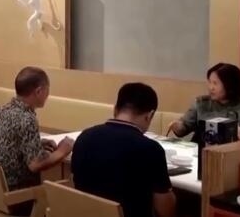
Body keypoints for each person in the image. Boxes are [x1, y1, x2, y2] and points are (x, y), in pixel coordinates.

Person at [71, 83, 175, 217]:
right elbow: (165, 210)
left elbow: (74, 182)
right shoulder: (150, 149)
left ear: (115, 109)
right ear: (149, 115)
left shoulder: (84, 137)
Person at [0, 67, 74, 216]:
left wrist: (38, 143)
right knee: (65, 194)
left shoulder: (3, 110)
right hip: (18, 197)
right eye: (47, 90)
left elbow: (14, 143)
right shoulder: (27, 119)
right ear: (39, 91)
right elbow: (35, 165)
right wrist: (63, 151)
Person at [167, 63, 240, 142]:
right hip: (200, 148)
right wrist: (177, 126)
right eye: (209, 82)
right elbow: (184, 128)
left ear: (229, 85)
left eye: (215, 83)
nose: (211, 87)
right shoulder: (201, 103)